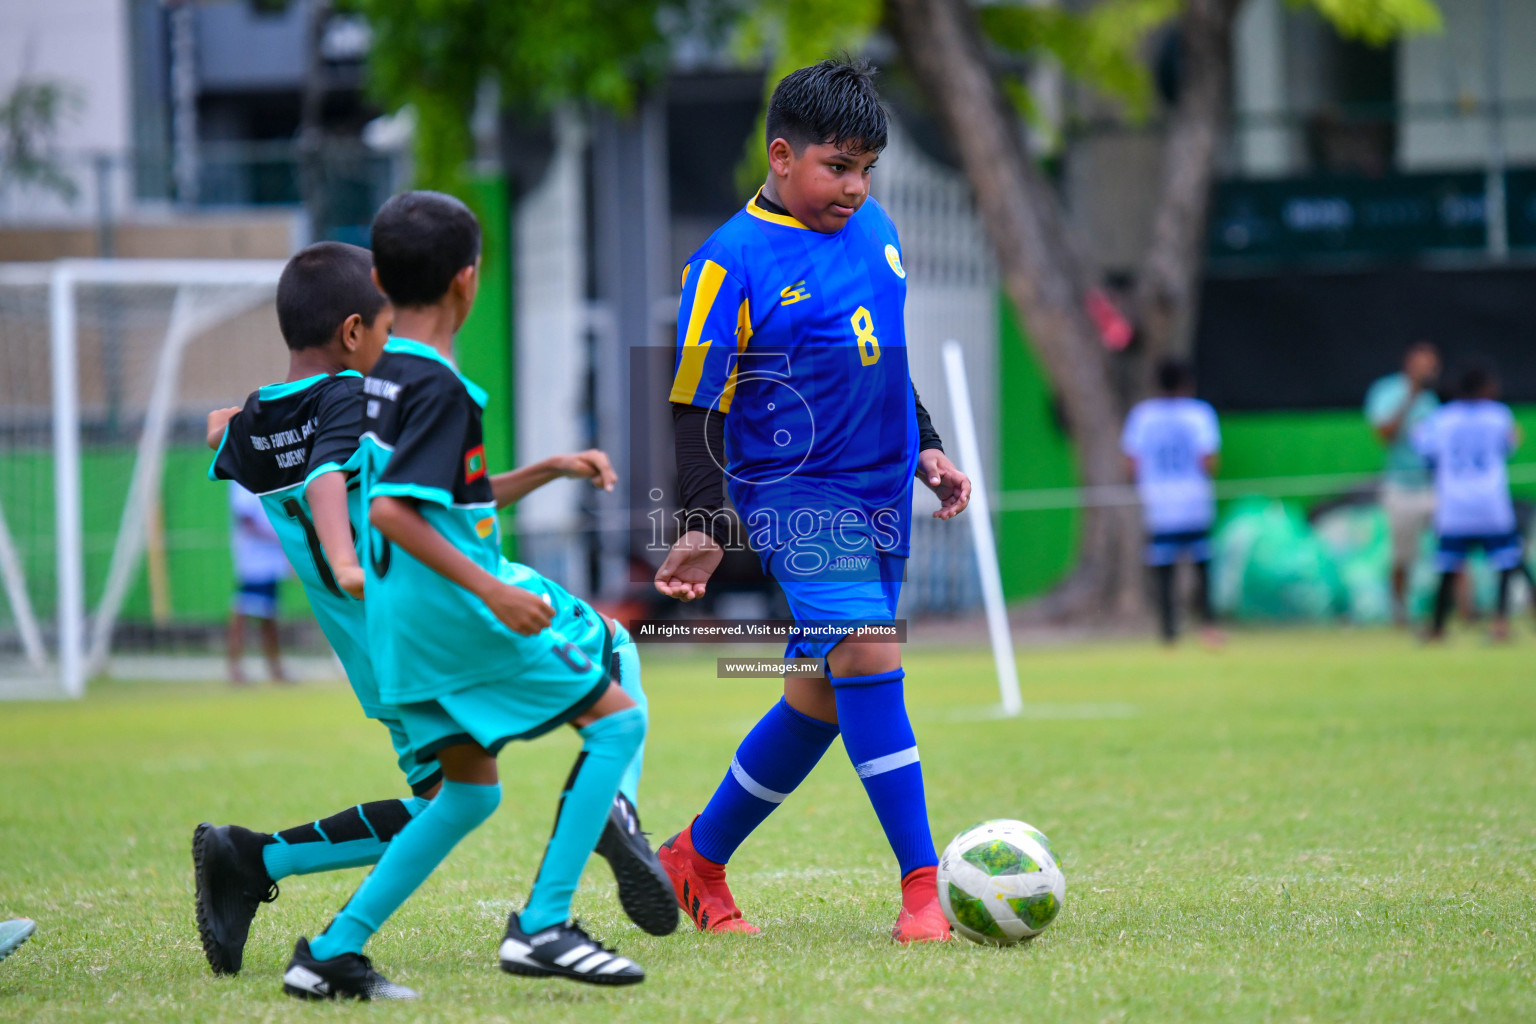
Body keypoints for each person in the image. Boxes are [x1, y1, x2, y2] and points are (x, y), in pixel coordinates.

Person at [198, 241, 671, 991]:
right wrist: (344, 557)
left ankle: (259, 862)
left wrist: (226, 422)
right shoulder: (357, 396)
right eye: (382, 330)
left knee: (452, 798)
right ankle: (612, 823)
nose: (391, 344)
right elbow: (331, 477)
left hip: (372, 653)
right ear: (355, 332)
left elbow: (228, 433)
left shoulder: (258, 420)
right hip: (422, 614)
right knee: (614, 653)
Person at [651, 58, 971, 945]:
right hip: (795, 496)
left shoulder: (875, 230)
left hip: (880, 493)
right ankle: (921, 890)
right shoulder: (729, 259)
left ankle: (695, 858)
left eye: (868, 168)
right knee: (869, 654)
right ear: (781, 156)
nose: (856, 187)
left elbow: (887, 355)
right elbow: (693, 399)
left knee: (820, 701)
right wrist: (706, 522)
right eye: (838, 167)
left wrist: (929, 447)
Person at [1414, 362, 1524, 642]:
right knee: (1504, 565)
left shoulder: (1442, 418)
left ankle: (1437, 628)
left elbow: (1424, 448)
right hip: (1491, 503)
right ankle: (1500, 625)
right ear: (1485, 388)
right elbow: (1510, 444)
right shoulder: (1499, 415)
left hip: (1455, 505)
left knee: (1447, 568)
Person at [1121, 359, 1222, 645]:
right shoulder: (1199, 414)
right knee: (1202, 566)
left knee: (1164, 570)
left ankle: (1167, 632)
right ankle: (1209, 626)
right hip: (1194, 503)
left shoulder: (1142, 416)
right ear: (1186, 383)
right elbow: (1209, 460)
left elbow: (1131, 463)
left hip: (1158, 505)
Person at [1365, 341, 1441, 623]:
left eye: (1431, 366)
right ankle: (1399, 612)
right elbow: (1385, 434)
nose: (1427, 371)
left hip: (1434, 485)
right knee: (1403, 558)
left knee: (1454, 551)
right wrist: (1411, 396)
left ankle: (1463, 612)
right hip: (1401, 486)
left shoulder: (1436, 399)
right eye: (1422, 365)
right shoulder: (1388, 392)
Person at [227, 482, 289, 684]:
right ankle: (234, 668)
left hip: (271, 560)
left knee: (268, 616)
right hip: (253, 560)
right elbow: (246, 520)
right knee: (243, 612)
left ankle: (275, 668)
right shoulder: (241, 481)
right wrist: (279, 537)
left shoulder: (266, 474)